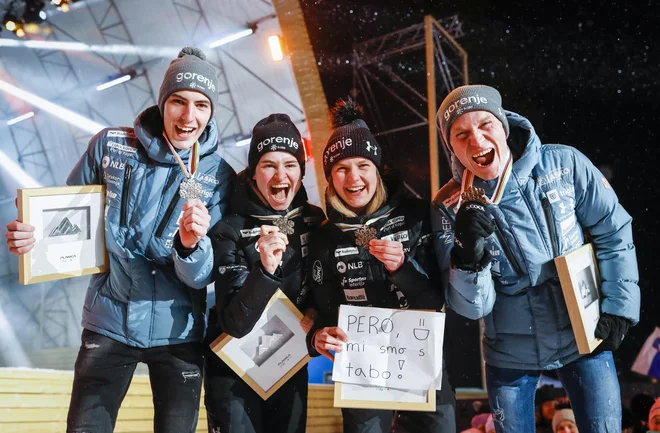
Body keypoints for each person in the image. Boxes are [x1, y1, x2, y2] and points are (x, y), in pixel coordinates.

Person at [4, 47, 235, 433]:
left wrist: (192, 245)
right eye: (178, 101)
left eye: (201, 105)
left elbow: (202, 277)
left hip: (178, 332)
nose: (188, 116)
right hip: (109, 321)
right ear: (162, 102)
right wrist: (34, 238)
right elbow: (66, 218)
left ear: (212, 113)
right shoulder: (110, 145)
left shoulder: (219, 175)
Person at [430, 84, 640, 433]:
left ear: (504, 125)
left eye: (485, 125)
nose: (477, 141)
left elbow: (613, 229)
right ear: (451, 147)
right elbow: (473, 308)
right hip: (510, 352)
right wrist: (467, 253)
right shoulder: (449, 207)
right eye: (461, 134)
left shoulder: (563, 163)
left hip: (582, 333)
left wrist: (620, 306)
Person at [307, 99, 456, 433]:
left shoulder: (417, 216)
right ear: (330, 177)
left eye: (363, 165)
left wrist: (402, 267)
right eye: (341, 168)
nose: (353, 177)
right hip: (360, 369)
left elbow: (435, 300)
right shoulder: (323, 238)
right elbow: (324, 308)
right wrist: (322, 335)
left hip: (421, 360)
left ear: (378, 169)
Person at [174, 113, 325, 433]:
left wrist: (317, 312)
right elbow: (235, 322)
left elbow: (324, 288)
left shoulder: (314, 220)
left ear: (302, 169)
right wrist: (266, 271)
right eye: (269, 164)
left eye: (290, 164)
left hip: (287, 364)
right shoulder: (230, 227)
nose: (280, 174)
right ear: (254, 172)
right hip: (233, 370)